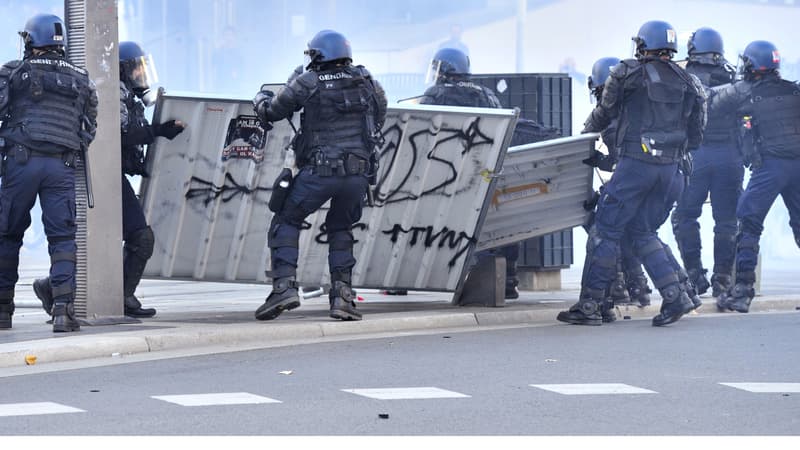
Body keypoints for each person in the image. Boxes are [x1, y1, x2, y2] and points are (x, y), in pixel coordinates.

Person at [557, 20, 706, 327]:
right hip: (671, 172)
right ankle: (675, 294)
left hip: (635, 168)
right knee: (642, 232)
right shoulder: (690, 82)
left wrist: (582, 139)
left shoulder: (627, 72)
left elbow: (604, 112)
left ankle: (590, 306)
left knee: (605, 230)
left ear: (642, 45)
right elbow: (696, 136)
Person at [33, 41, 185, 319]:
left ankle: (54, 288)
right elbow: (116, 136)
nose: (141, 74)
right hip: (101, 172)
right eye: (136, 68)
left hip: (106, 172)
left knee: (103, 241)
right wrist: (157, 131)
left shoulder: (123, 94)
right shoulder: (111, 93)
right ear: (123, 69)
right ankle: (119, 296)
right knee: (138, 237)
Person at [252, 30, 387, 321]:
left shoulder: (308, 81)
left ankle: (284, 288)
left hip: (320, 171)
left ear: (317, 55)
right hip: (358, 175)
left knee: (285, 220)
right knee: (341, 228)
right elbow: (381, 113)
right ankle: (343, 298)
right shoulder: (366, 80)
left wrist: (260, 98)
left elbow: (272, 112)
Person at [0, 14, 98, 332]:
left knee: (7, 234)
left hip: (21, 163)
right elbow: (88, 127)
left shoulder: (14, 72)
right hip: (61, 166)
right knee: (63, 239)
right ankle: (62, 311)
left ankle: (2, 311)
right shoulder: (81, 78)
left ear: (31, 40)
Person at [420, 47, 523, 299]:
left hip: (449, 173)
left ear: (444, 69)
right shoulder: (487, 95)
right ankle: (507, 280)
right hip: (485, 173)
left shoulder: (435, 95)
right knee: (497, 224)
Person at [710, 40, 800, 313]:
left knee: (748, 221)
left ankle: (742, 291)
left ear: (750, 64)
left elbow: (712, 106)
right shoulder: (794, 90)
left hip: (771, 166)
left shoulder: (745, 92)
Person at [579, 56, 653, 323]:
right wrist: (603, 161)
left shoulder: (611, 117)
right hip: (649, 178)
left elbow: (622, 157)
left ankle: (617, 287)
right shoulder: (633, 108)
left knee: (606, 229)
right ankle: (639, 287)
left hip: (630, 182)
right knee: (631, 232)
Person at [670, 27, 741, 299]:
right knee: (727, 221)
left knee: (685, 216)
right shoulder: (735, 77)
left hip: (695, 157)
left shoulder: (682, 78)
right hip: (730, 158)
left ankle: (696, 277)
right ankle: (722, 278)